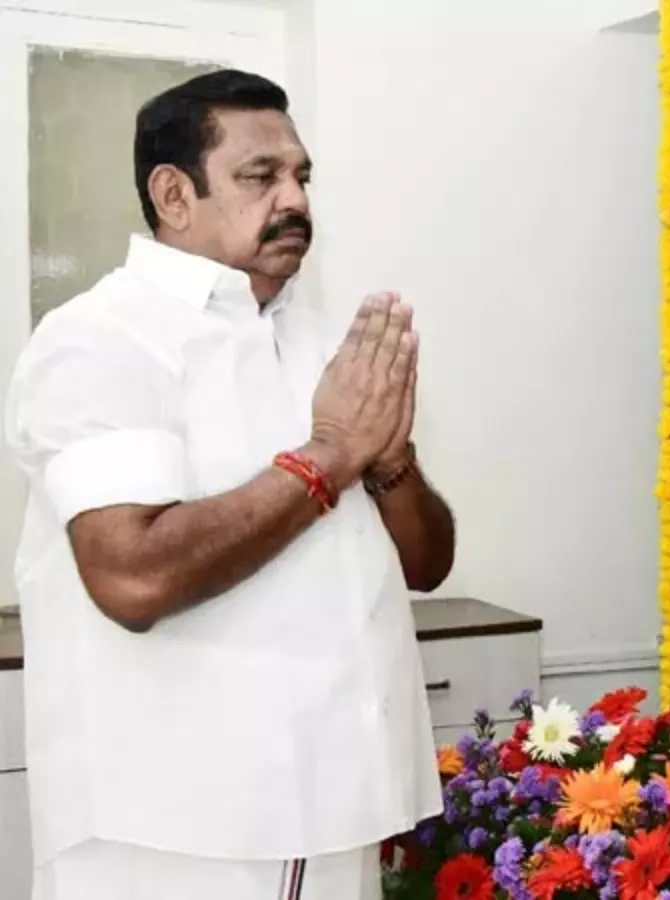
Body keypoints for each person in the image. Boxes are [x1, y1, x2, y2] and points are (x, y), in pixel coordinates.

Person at [4, 69, 455, 900]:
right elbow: (132, 577)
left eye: (302, 176)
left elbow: (426, 566)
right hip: (174, 830)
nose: (296, 201)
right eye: (261, 176)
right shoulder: (101, 338)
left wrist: (389, 461)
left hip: (338, 809)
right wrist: (328, 456)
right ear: (174, 195)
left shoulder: (319, 338)